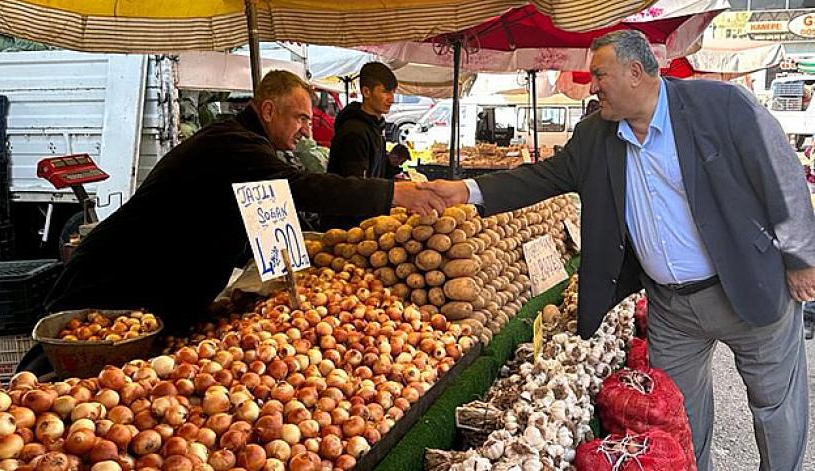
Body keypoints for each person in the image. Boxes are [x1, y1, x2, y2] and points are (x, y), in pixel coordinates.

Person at [420, 30, 815, 471]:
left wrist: (801, 257)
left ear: (635, 72)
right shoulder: (595, 135)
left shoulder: (720, 105)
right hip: (672, 308)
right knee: (676, 414)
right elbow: (542, 177)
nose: (592, 86)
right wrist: (466, 189)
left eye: (599, 74)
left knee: (774, 407)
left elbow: (781, 175)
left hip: (746, 283)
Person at [42, 70, 443, 335]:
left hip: (151, 289)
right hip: (112, 286)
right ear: (268, 110)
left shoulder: (245, 142)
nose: (306, 131)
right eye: (300, 118)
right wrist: (394, 193)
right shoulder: (232, 143)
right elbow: (299, 187)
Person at [326, 62, 396, 179]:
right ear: (366, 92)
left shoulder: (376, 128)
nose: (391, 99)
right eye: (385, 92)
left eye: (393, 92)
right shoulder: (354, 132)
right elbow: (355, 187)